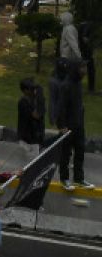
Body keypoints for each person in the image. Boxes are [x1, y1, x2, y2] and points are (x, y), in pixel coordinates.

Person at [52, 58, 93, 190]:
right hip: (68, 127)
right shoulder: (66, 85)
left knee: (80, 151)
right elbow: (60, 107)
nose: (85, 71)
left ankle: (79, 179)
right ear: (75, 69)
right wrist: (62, 126)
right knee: (66, 153)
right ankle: (64, 179)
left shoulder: (79, 84)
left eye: (85, 68)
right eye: (82, 68)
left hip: (79, 125)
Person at [16, 78, 45, 160]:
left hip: (36, 134)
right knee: (31, 161)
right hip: (28, 137)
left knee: (36, 158)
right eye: (31, 89)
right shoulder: (23, 102)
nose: (33, 91)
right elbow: (36, 115)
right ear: (25, 90)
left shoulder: (32, 100)